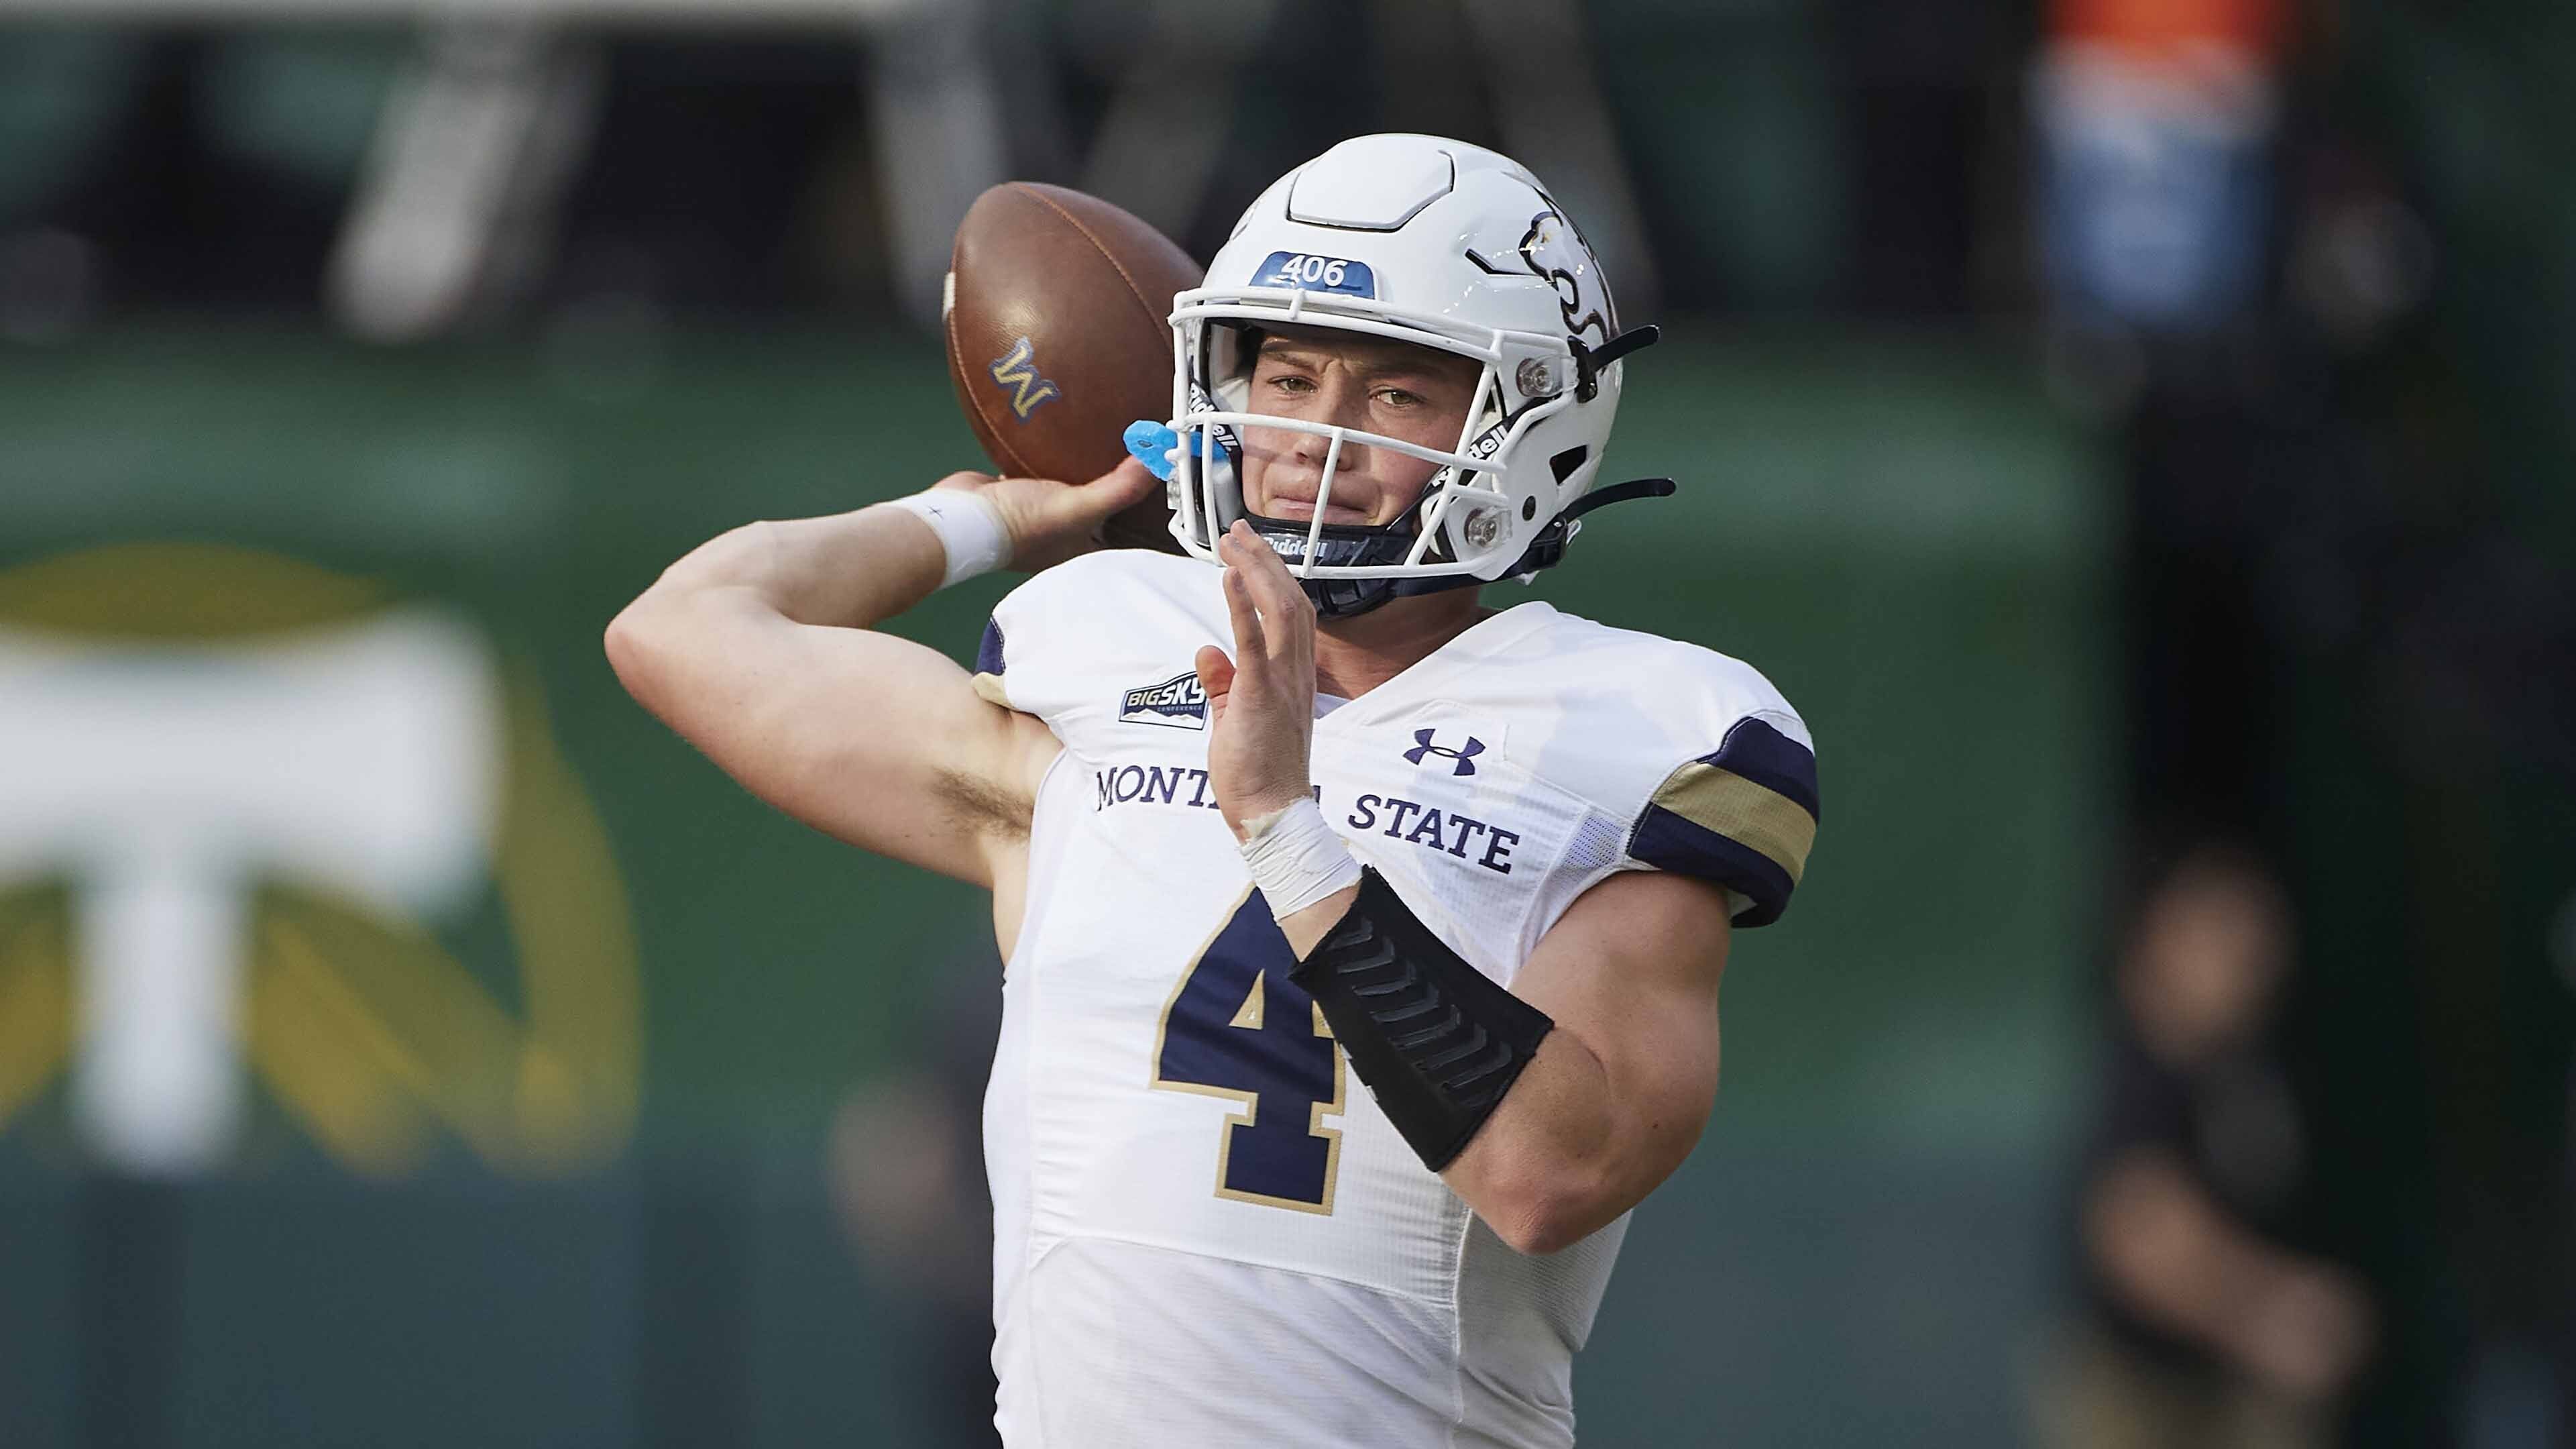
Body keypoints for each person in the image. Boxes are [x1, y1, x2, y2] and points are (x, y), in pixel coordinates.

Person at [606, 134, 1822, 1448]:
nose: (1314, 435)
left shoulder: (1632, 736)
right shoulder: (1090, 683)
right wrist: (996, 516)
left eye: (1396, 392)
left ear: (1525, 421)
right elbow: (683, 628)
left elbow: (1547, 1171)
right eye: (1288, 375)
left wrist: (1286, 833)